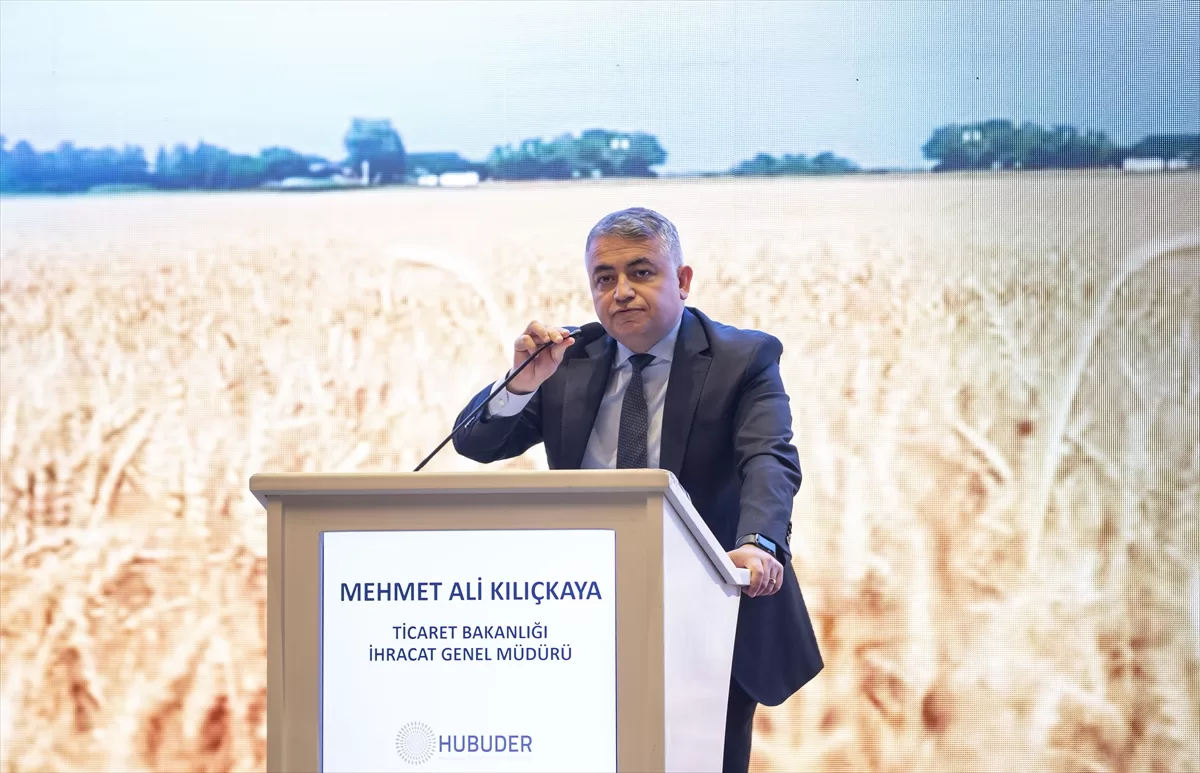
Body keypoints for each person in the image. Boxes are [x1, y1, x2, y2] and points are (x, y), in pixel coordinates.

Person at [451, 206, 823, 773]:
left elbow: (768, 458)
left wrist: (758, 542)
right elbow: (474, 443)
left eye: (641, 272)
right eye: (604, 278)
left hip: (705, 610)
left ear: (682, 280)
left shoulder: (742, 358)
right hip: (582, 611)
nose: (621, 291)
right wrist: (520, 384)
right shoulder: (566, 360)